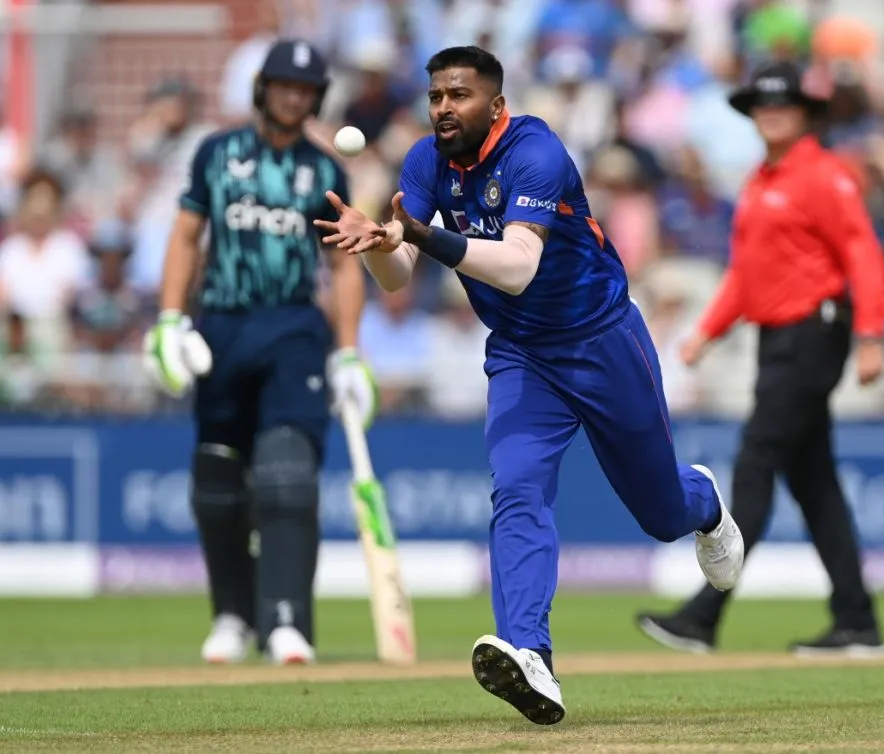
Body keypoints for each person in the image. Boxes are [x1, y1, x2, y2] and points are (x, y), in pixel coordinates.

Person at [314, 45, 744, 725]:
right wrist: (377, 247)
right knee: (516, 489)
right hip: (520, 353)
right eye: (435, 97)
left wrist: (418, 236)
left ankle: (704, 502)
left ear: (496, 104)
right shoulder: (426, 162)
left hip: (601, 339)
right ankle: (529, 652)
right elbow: (399, 273)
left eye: (458, 96)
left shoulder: (536, 153)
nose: (444, 109)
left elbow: (516, 266)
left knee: (661, 514)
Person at [634, 60, 884, 658]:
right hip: (779, 339)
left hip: (814, 332)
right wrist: (708, 331)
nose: (772, 113)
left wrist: (873, 335)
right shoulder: (760, 181)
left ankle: (705, 613)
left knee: (756, 460)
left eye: (784, 105)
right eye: (763, 105)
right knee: (814, 483)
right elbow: (747, 277)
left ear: (804, 114)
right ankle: (858, 622)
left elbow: (863, 253)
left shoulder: (825, 175)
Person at [142, 39, 376, 666]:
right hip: (221, 324)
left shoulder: (326, 171)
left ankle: (286, 622)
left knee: (286, 475)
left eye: (305, 90)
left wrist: (349, 352)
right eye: (284, 86)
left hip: (295, 328)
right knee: (218, 479)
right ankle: (231, 617)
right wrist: (169, 319)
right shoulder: (217, 155)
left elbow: (345, 266)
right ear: (262, 89)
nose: (294, 98)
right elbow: (187, 237)